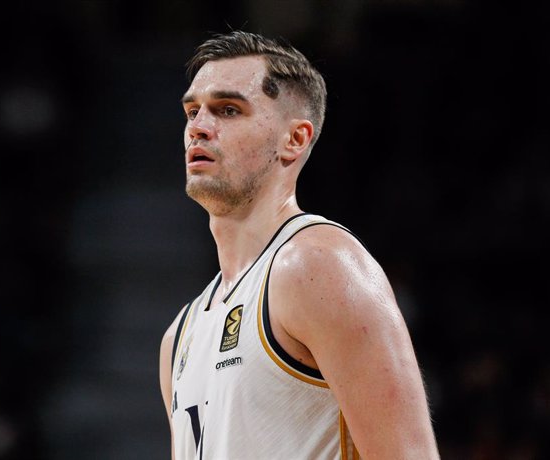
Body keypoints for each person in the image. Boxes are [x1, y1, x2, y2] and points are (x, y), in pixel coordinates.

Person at [159, 31, 440, 460]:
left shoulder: (320, 266)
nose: (198, 127)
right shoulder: (180, 334)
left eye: (228, 110)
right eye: (192, 111)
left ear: (294, 139)